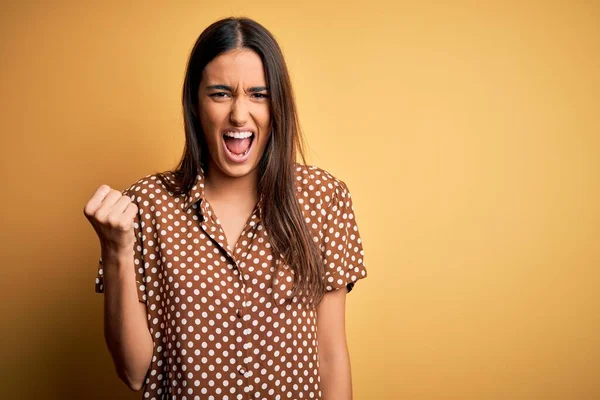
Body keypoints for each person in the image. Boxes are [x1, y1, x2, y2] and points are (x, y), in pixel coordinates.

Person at [83, 16, 368, 400]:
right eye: (220, 93)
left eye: (258, 94)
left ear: (278, 104)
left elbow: (331, 356)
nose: (238, 113)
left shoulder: (322, 199)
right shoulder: (145, 207)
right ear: (195, 105)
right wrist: (116, 249)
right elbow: (134, 373)